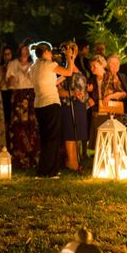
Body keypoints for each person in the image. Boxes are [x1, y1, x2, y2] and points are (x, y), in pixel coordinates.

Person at [29, 42, 73, 178]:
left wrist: (62, 77)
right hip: (51, 104)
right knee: (53, 138)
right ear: (46, 52)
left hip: (39, 105)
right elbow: (69, 71)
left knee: (46, 138)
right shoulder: (50, 65)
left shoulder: (33, 67)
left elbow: (49, 82)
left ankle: (49, 169)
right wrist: (71, 58)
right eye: (50, 52)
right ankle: (47, 171)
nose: (52, 55)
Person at [6, 42, 39, 168]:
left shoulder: (33, 65)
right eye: (23, 50)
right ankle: (20, 158)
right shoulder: (13, 64)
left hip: (31, 96)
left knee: (32, 125)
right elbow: (10, 82)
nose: (25, 52)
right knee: (18, 127)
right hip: (18, 96)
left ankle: (33, 157)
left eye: (27, 50)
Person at [58, 42, 88, 172]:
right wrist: (72, 94)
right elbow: (58, 90)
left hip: (80, 104)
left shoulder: (80, 69)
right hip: (68, 104)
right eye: (68, 51)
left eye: (73, 51)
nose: (71, 54)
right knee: (70, 133)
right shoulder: (61, 70)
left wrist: (84, 95)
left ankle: (75, 159)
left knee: (78, 133)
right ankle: (71, 161)